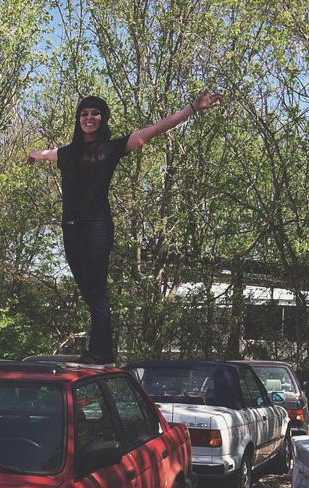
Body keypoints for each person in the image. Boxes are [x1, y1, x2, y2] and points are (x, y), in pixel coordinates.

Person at [27, 92, 221, 365]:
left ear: (103, 119)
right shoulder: (66, 153)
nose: (89, 118)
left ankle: (101, 352)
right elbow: (46, 153)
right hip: (70, 229)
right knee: (86, 290)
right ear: (78, 119)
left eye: (95, 113)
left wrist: (192, 108)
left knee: (96, 291)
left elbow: (150, 131)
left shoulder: (110, 148)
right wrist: (32, 155)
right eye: (84, 113)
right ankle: (99, 349)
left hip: (96, 227)